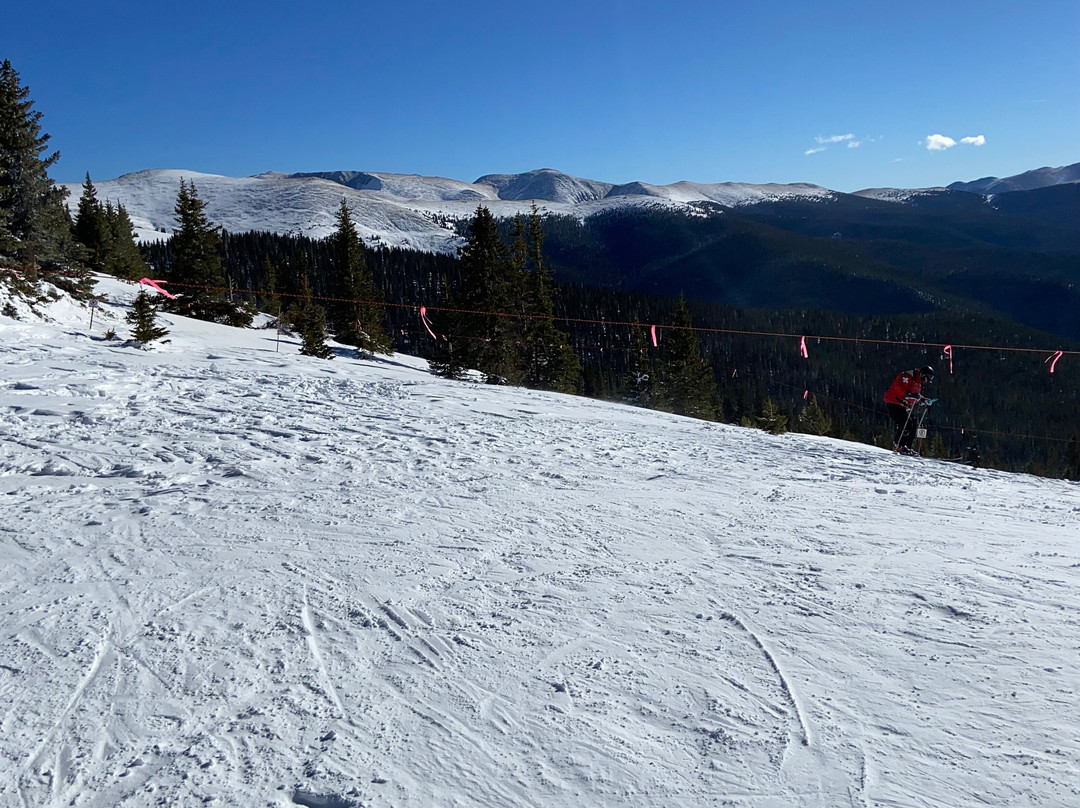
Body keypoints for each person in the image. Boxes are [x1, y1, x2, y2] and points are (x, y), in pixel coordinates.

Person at [884, 365, 934, 454]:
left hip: (903, 404)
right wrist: (909, 394)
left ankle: (907, 446)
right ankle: (899, 444)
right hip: (894, 401)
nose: (926, 381)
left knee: (913, 423)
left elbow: (914, 396)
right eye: (927, 378)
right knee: (905, 423)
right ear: (923, 374)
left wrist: (922, 400)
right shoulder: (908, 376)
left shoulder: (918, 383)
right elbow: (898, 387)